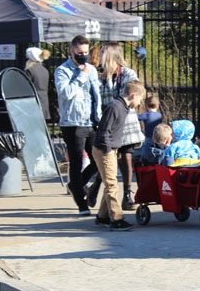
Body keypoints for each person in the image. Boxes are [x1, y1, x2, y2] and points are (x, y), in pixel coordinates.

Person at [54, 35, 102, 215]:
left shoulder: (92, 69)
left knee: (98, 160)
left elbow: (95, 95)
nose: (84, 56)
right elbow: (66, 93)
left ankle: (76, 185)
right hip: (72, 122)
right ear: (72, 51)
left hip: (91, 121)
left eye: (86, 52)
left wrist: (98, 117)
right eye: (80, 53)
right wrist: (82, 76)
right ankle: (81, 202)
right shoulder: (62, 70)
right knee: (76, 162)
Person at [95, 42, 144, 210]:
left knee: (126, 157)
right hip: (109, 121)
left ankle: (127, 194)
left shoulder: (127, 73)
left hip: (126, 121)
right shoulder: (99, 75)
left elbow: (130, 94)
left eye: (102, 53)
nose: (99, 56)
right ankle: (96, 188)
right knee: (107, 159)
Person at [91, 80, 146, 231]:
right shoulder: (116, 107)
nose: (139, 103)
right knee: (112, 185)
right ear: (133, 95)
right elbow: (104, 131)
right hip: (104, 150)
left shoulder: (122, 107)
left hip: (109, 149)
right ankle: (116, 219)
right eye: (140, 99)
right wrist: (108, 150)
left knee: (111, 182)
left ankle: (102, 216)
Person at [25, 47, 52, 121]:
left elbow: (25, 87)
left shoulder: (30, 70)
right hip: (44, 102)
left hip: (33, 103)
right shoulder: (45, 70)